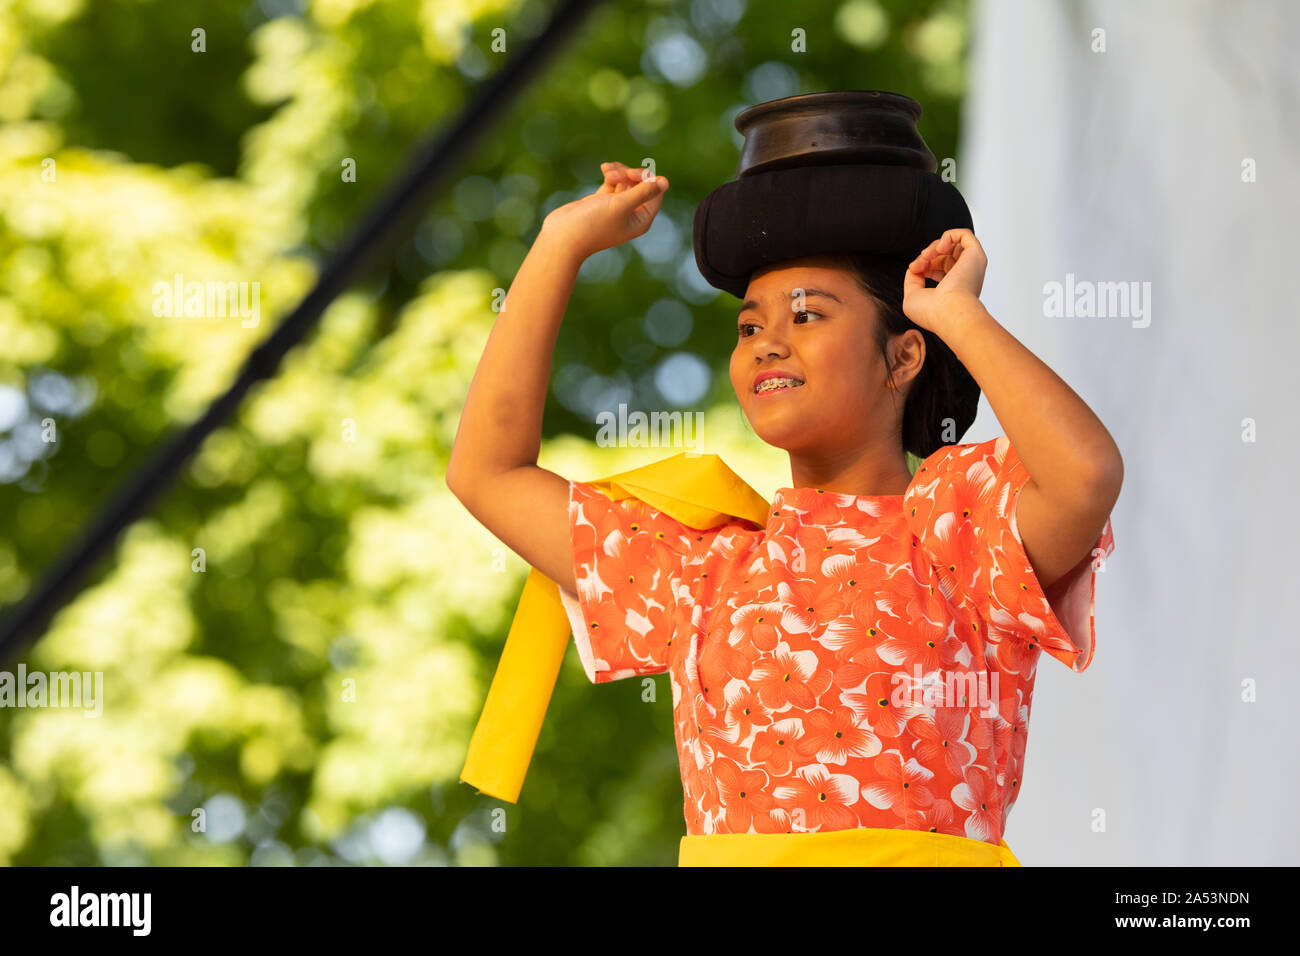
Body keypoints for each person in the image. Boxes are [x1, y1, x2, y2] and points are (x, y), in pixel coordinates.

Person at [448, 93, 1122, 866]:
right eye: (748, 326)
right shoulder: (705, 573)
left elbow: (1086, 475)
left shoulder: (959, 530)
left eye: (805, 316)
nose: (766, 343)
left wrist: (957, 317)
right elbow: (487, 473)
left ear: (903, 356)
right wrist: (558, 246)